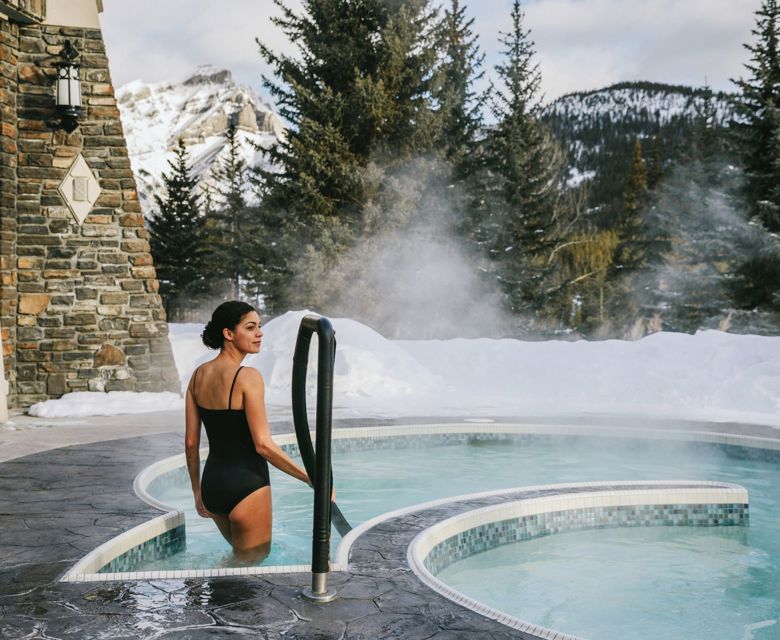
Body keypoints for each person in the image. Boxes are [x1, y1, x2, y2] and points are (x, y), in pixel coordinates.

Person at [184, 300, 311, 563]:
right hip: (246, 486)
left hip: (213, 486)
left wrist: (198, 492)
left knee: (238, 561)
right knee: (251, 564)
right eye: (250, 327)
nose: (259, 333)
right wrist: (311, 478)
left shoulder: (198, 376)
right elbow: (263, 445)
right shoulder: (248, 377)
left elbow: (191, 442)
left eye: (259, 327)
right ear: (228, 334)